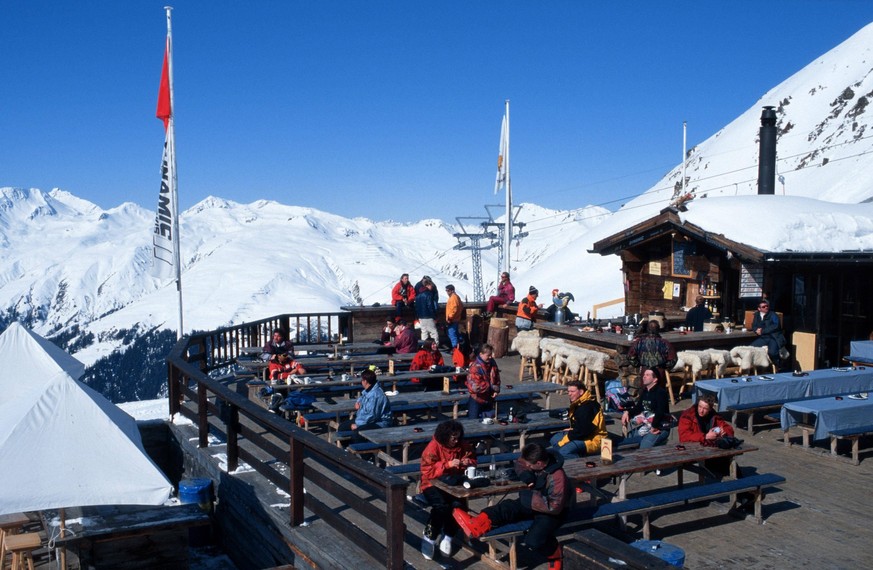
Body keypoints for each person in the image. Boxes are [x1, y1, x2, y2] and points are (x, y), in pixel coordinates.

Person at [453, 443, 569, 569]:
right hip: (533, 501)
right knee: (507, 507)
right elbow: (521, 462)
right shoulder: (534, 459)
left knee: (533, 541)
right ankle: (477, 524)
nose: (528, 466)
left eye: (530, 465)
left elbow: (555, 506)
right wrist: (525, 474)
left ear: (539, 463)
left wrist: (529, 498)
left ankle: (555, 554)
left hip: (552, 511)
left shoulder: (558, 476)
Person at [419, 420, 477, 560]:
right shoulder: (433, 447)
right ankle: (429, 537)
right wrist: (447, 465)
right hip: (431, 484)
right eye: (453, 438)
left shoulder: (462, 445)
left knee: (459, 506)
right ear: (445, 436)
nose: (456, 441)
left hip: (453, 483)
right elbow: (427, 471)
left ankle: (448, 536)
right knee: (441, 507)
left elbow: (473, 458)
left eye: (458, 437)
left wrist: (468, 462)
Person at [549, 380, 607, 458]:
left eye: (572, 391)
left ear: (581, 392)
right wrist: (572, 429)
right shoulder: (578, 403)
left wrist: (565, 440)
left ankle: (579, 464)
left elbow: (583, 431)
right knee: (554, 439)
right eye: (568, 391)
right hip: (581, 434)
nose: (569, 394)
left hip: (594, 438)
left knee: (563, 451)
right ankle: (559, 459)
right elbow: (579, 425)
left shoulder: (588, 407)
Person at [620, 367, 672, 448]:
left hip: (660, 427)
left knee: (644, 446)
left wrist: (654, 426)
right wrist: (628, 413)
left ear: (655, 379)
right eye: (644, 374)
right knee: (628, 439)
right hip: (647, 425)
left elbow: (660, 412)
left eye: (647, 375)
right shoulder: (645, 392)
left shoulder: (661, 393)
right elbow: (639, 408)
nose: (644, 376)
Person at [338, 369, 393, 439]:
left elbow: (372, 416)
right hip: (366, 418)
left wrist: (358, 425)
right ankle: (346, 447)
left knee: (358, 433)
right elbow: (363, 396)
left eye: (362, 380)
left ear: (365, 381)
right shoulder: (370, 389)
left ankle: (357, 448)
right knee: (342, 427)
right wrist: (358, 402)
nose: (361, 382)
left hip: (379, 422)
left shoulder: (376, 395)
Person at [627, 320, 677, 384]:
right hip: (659, 371)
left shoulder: (639, 342)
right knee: (658, 391)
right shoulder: (665, 343)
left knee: (645, 391)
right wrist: (664, 366)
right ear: (658, 329)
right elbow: (673, 359)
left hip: (645, 370)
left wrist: (638, 364)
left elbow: (630, 356)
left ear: (647, 329)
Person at [465, 344, 501, 419]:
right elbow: (476, 387)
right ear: (481, 354)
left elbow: (497, 378)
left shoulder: (492, 363)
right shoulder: (475, 367)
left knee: (489, 422)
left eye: (491, 354)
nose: (491, 357)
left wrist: (496, 391)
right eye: (488, 355)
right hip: (477, 399)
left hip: (489, 398)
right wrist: (492, 387)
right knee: (473, 423)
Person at [750, 300, 786, 364]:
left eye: (767, 306)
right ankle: (760, 365)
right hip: (763, 338)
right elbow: (753, 325)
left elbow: (776, 326)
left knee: (772, 352)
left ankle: (778, 364)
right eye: (763, 307)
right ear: (759, 309)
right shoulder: (757, 315)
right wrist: (756, 330)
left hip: (773, 337)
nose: (766, 307)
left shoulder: (773, 314)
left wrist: (762, 331)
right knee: (751, 348)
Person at [414, 277, 440, 342]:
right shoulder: (429, 294)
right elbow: (430, 306)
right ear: (427, 285)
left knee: (424, 332)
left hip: (421, 317)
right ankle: (435, 346)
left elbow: (416, 307)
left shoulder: (418, 296)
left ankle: (424, 347)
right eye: (431, 285)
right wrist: (434, 316)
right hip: (429, 316)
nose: (432, 287)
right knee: (433, 332)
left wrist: (417, 317)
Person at [445, 284, 464, 349]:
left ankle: (455, 348)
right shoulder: (456, 297)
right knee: (456, 334)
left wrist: (450, 317)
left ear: (452, 290)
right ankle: (461, 345)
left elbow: (454, 309)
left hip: (452, 320)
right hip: (456, 319)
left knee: (452, 334)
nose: (447, 292)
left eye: (448, 291)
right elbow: (461, 306)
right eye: (446, 291)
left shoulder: (453, 298)